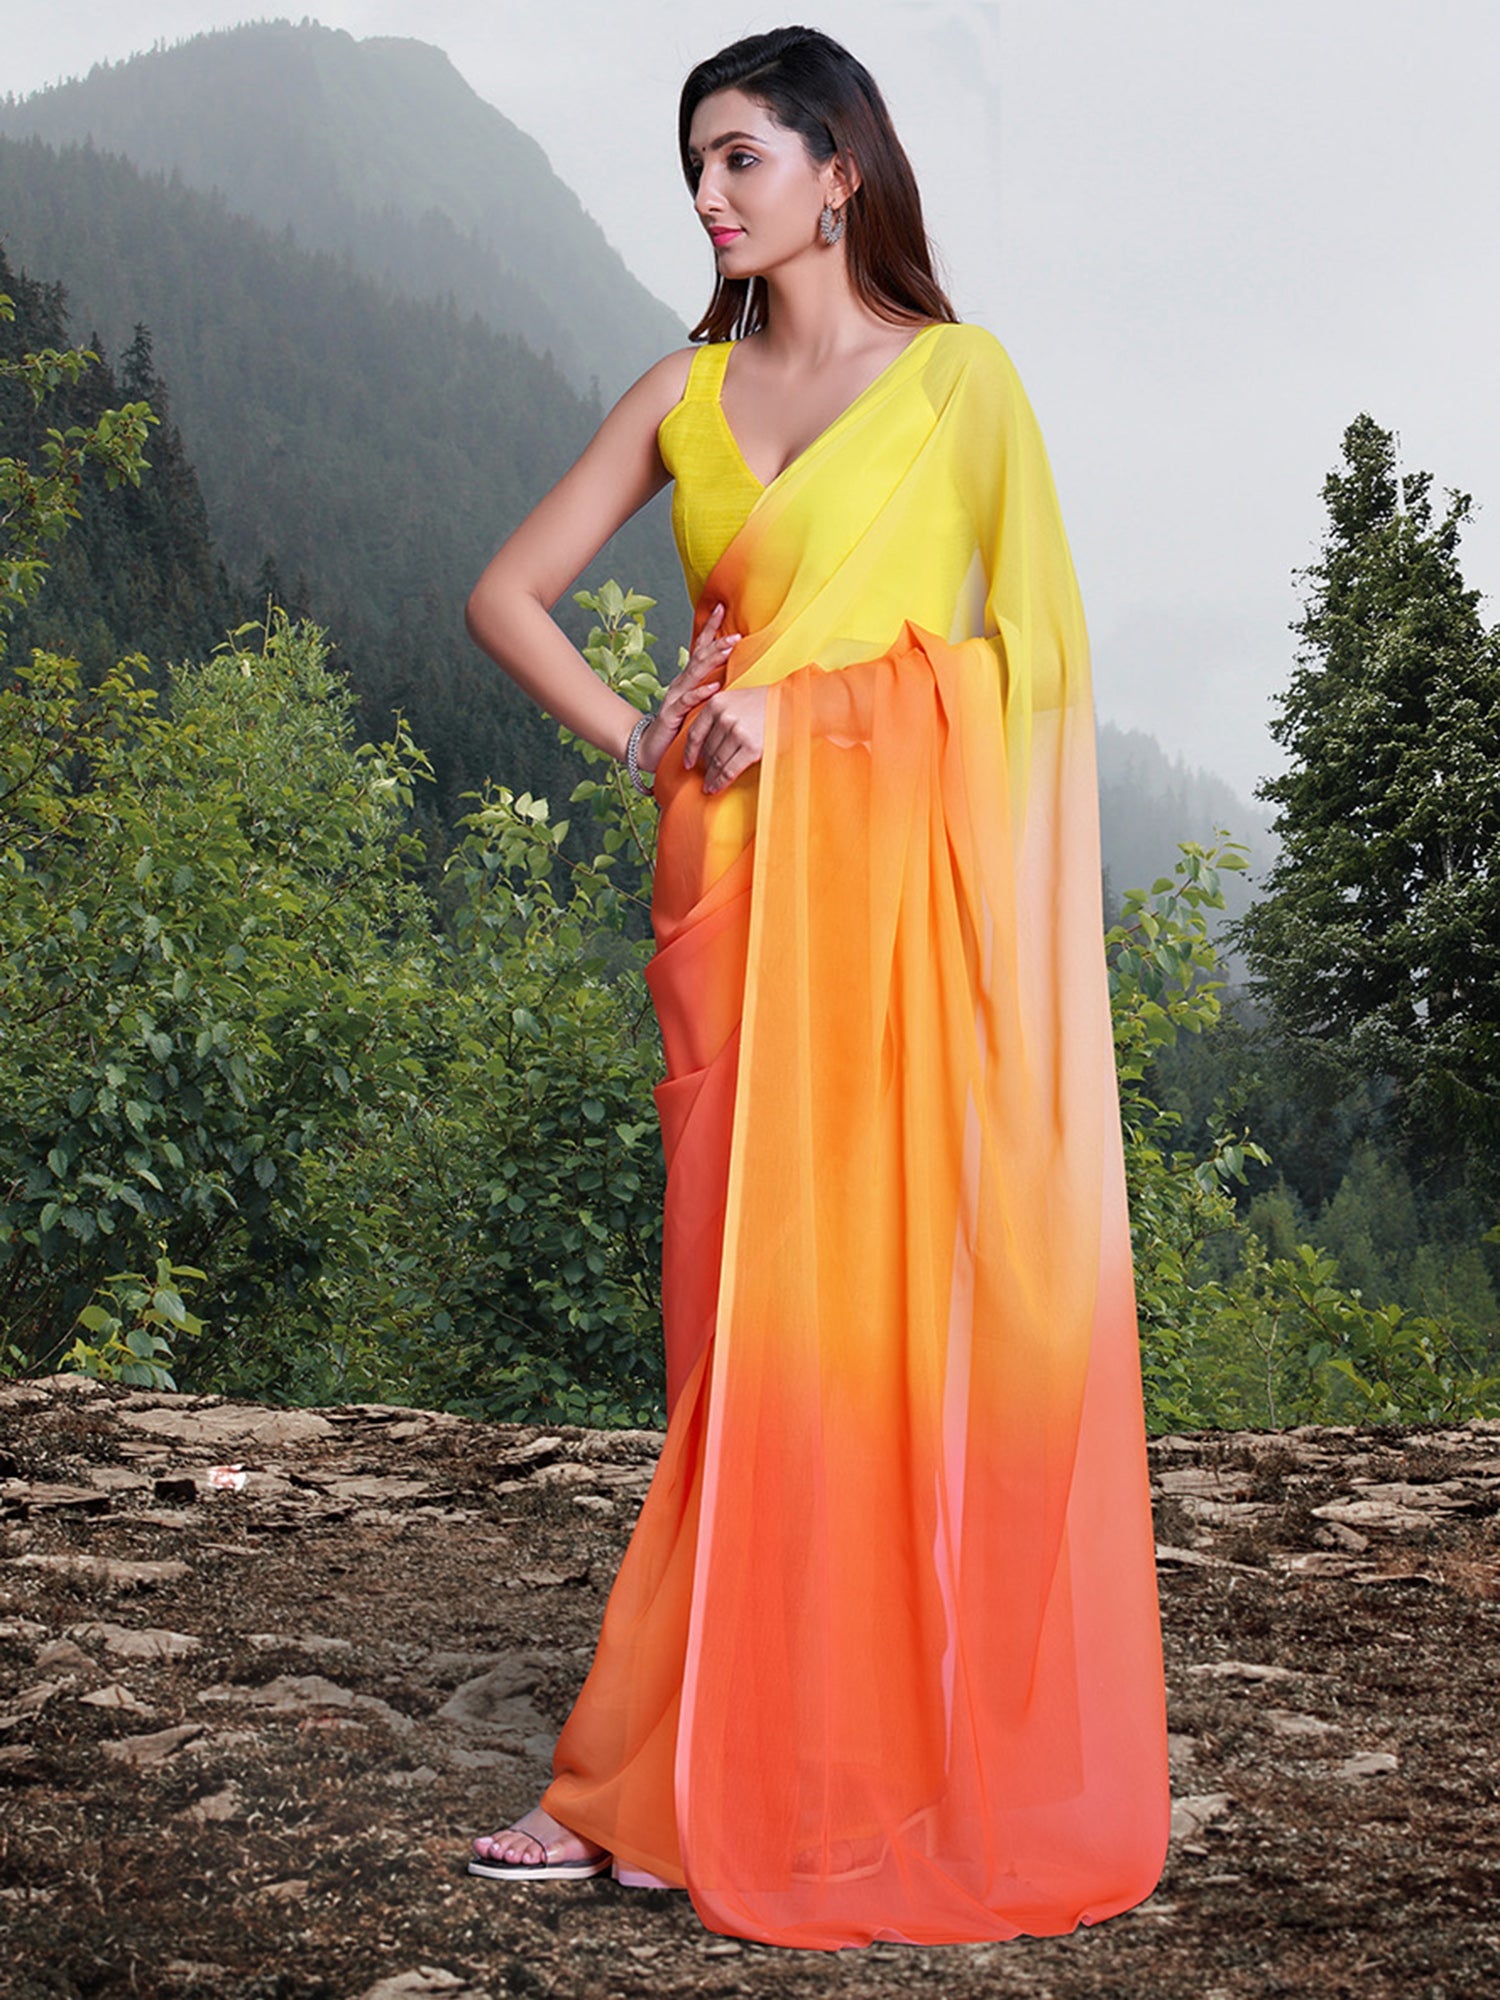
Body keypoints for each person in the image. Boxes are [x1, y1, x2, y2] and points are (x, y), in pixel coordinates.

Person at [463, 24, 1170, 1952]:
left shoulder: (960, 385)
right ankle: (695, 1772)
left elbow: (1039, 668)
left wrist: (825, 710)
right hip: (727, 900)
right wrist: (645, 735)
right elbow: (504, 594)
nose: (709, 194)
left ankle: (754, 1781)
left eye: (743, 157)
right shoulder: (682, 392)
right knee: (733, 1345)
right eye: (695, 164)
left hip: (892, 926)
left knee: (862, 1333)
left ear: (839, 169)